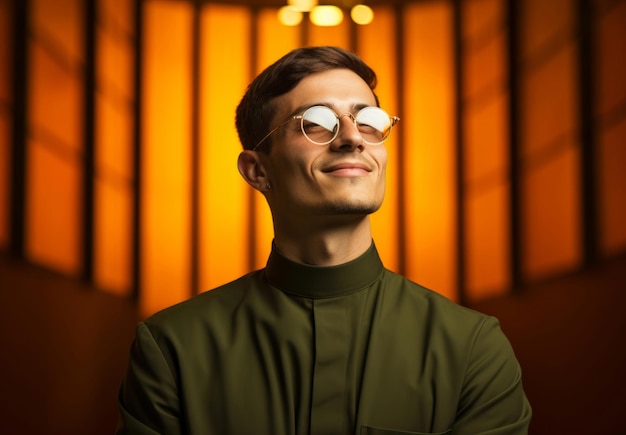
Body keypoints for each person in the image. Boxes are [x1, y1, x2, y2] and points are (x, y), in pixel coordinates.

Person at [116, 46, 531, 435]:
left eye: (368, 120)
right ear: (258, 171)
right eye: (317, 122)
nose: (353, 138)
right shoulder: (173, 347)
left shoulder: (471, 346)